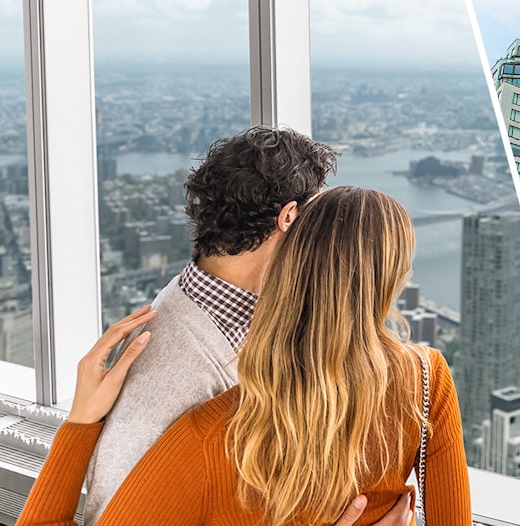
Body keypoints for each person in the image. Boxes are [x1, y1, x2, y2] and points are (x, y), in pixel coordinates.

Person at [19, 186, 471, 524]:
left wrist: (80, 424)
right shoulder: (428, 381)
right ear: (396, 277)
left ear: (288, 265)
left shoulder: (210, 436)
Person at [80, 127, 377, 523]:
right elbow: (116, 511)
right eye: (316, 215)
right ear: (289, 217)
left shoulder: (226, 312)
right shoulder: (179, 365)